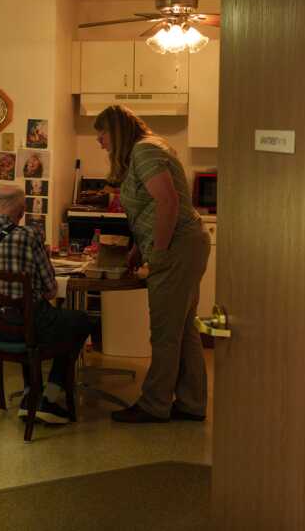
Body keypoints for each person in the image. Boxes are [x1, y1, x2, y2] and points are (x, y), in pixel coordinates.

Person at [94, 104, 210, 423]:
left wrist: (157, 251)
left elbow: (168, 202)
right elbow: (149, 208)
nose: (99, 141)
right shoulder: (149, 149)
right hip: (185, 245)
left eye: (102, 133)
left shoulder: (144, 152)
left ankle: (155, 404)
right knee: (183, 330)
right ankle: (191, 402)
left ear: (115, 131)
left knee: (164, 332)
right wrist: (138, 248)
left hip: (176, 248)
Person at [0, 185, 92, 425]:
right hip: (23, 331)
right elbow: (51, 289)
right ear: (21, 211)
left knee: (30, 322)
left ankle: (32, 393)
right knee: (79, 320)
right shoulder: (29, 237)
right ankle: (49, 399)